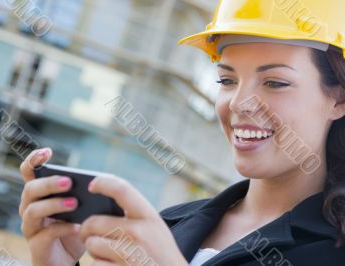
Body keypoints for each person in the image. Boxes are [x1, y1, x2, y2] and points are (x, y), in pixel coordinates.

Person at [18, 0, 345, 265]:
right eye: (227, 80)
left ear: (339, 99)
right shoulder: (167, 225)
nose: (239, 104)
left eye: (275, 83)